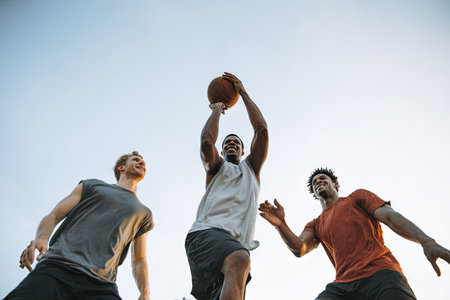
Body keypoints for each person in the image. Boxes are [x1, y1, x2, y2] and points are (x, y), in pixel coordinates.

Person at [259, 167, 450, 300]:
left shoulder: (357, 198)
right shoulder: (316, 224)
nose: (318, 182)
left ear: (335, 183)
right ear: (315, 194)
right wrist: (281, 224)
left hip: (382, 275)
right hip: (343, 286)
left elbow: (391, 218)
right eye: (315, 183)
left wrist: (426, 241)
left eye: (323, 178)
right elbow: (299, 248)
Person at [5, 151, 154, 300]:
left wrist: (145, 291)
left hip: (101, 285)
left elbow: (139, 259)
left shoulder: (144, 213)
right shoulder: (93, 185)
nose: (142, 163)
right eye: (136, 160)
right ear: (121, 167)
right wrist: (42, 239)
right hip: (56, 268)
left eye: (143, 163)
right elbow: (54, 215)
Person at [185, 72, 269, 300]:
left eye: (236, 143)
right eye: (227, 143)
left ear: (243, 151)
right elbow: (205, 142)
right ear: (222, 151)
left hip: (231, 251)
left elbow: (261, 130)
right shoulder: (216, 168)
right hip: (206, 234)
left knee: (239, 269)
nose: (232, 144)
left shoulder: (251, 169)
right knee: (241, 258)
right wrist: (216, 109)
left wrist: (243, 93)